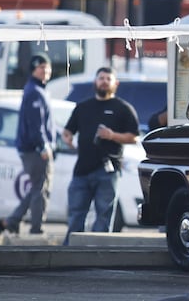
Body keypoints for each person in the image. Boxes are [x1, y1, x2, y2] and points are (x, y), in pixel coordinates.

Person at [61, 67, 139, 244]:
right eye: (101, 78)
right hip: (82, 170)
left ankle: (99, 253)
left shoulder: (123, 108)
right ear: (95, 82)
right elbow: (68, 131)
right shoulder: (82, 107)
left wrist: (112, 136)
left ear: (115, 83)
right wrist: (67, 139)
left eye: (108, 79)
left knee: (104, 215)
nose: (104, 81)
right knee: (75, 215)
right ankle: (70, 253)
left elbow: (134, 137)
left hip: (108, 171)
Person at [3, 53, 55, 235]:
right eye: (41, 67)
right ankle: (36, 229)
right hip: (35, 149)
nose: (46, 70)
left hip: (32, 148)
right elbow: (36, 124)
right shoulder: (34, 91)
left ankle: (14, 219)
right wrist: (43, 146)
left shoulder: (36, 89)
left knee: (36, 187)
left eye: (47, 67)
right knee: (41, 189)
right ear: (34, 69)